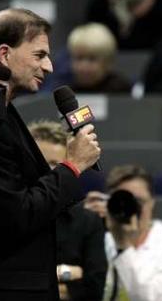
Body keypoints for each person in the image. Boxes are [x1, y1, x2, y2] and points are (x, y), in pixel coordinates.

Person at [0, 8, 101, 301]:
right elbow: (15, 215)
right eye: (39, 55)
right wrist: (72, 166)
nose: (50, 67)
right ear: (4, 54)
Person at [28, 120, 107, 301]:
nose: (48, 171)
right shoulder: (16, 212)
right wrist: (68, 272)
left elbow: (93, 290)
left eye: (56, 164)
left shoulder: (87, 221)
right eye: (41, 161)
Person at [103, 164, 162, 301]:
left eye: (138, 201)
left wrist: (124, 245)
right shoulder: (99, 241)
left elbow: (154, 298)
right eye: (124, 201)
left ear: (152, 203)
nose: (132, 208)